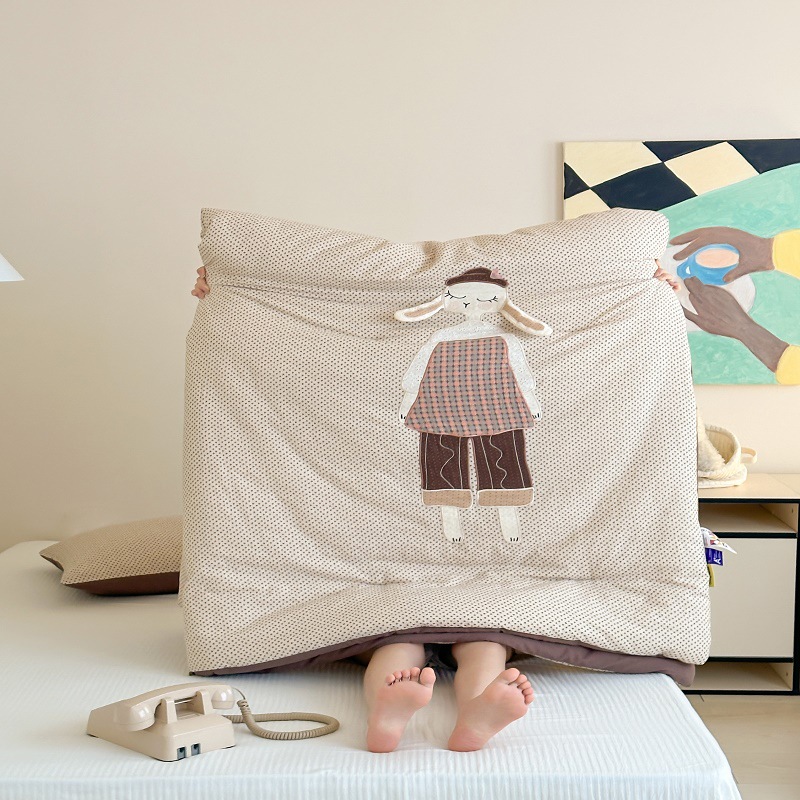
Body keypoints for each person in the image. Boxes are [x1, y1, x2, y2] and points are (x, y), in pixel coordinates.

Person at [190, 261, 676, 753]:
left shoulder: (498, 338)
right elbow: (420, 372)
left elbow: (524, 373)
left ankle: (391, 710)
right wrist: (236, 292)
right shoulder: (440, 339)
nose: (473, 307)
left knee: (396, 644)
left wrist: (650, 297)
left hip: (424, 591)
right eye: (463, 298)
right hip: (462, 567)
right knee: (484, 643)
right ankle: (474, 706)